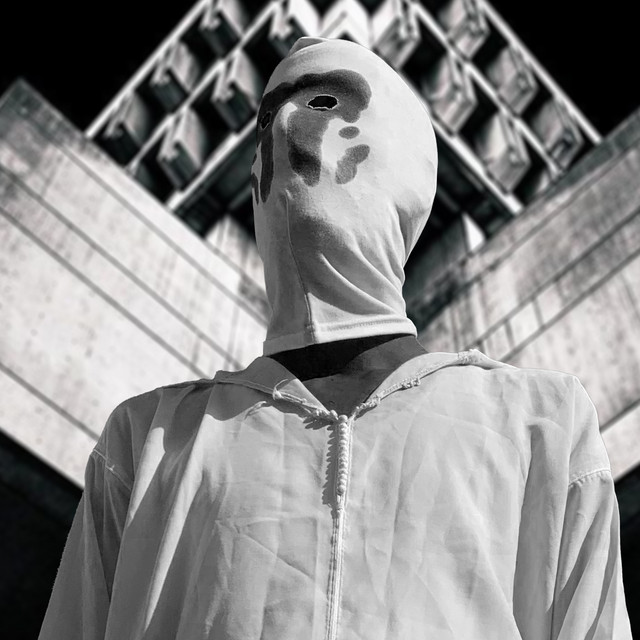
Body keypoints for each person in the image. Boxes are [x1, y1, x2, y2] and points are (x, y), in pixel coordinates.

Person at [39, 36, 632, 639]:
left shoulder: (541, 426)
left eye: (324, 102)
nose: (283, 129)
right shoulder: (147, 441)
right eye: (266, 118)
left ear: (399, 163)